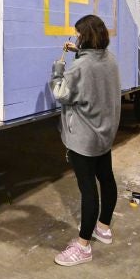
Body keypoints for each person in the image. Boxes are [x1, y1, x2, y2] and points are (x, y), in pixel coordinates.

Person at [50, 15, 121, 266]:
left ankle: (83, 247)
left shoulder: (80, 68)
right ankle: (104, 228)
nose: (76, 37)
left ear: (86, 37)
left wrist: (58, 70)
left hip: (83, 139)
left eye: (79, 34)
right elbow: (93, 75)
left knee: (88, 190)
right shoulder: (110, 59)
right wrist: (79, 52)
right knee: (107, 179)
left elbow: (61, 93)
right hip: (104, 133)